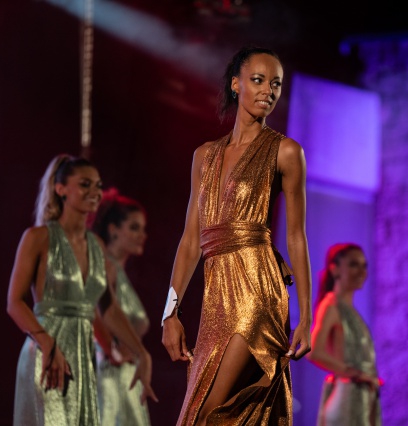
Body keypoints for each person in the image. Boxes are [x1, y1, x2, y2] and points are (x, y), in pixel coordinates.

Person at [161, 45, 313, 426]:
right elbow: (190, 241)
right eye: (258, 80)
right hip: (216, 299)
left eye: (276, 84)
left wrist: (307, 315)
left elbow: (296, 237)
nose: (268, 91)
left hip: (257, 291)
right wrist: (170, 313)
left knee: (206, 414)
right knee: (210, 414)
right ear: (235, 84)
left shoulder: (286, 152)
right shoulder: (204, 156)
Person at [6, 154, 158, 426]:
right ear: (61, 189)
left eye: (98, 185)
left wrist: (141, 353)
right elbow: (14, 302)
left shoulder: (96, 244)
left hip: (83, 359)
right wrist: (46, 342)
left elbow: (108, 308)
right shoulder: (37, 237)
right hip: (46, 354)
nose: (94, 192)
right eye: (85, 184)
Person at [89, 188, 152, 426]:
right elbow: (96, 311)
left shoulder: (119, 272)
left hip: (126, 374)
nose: (142, 235)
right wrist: (111, 349)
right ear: (113, 229)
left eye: (143, 229)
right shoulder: (107, 266)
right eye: (134, 228)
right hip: (112, 373)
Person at [307, 242, 383, 426]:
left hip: (361, 400)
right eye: (353, 264)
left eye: (364, 265)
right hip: (347, 402)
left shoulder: (349, 310)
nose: (362, 271)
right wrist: (355, 374)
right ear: (335, 269)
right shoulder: (331, 305)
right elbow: (313, 351)